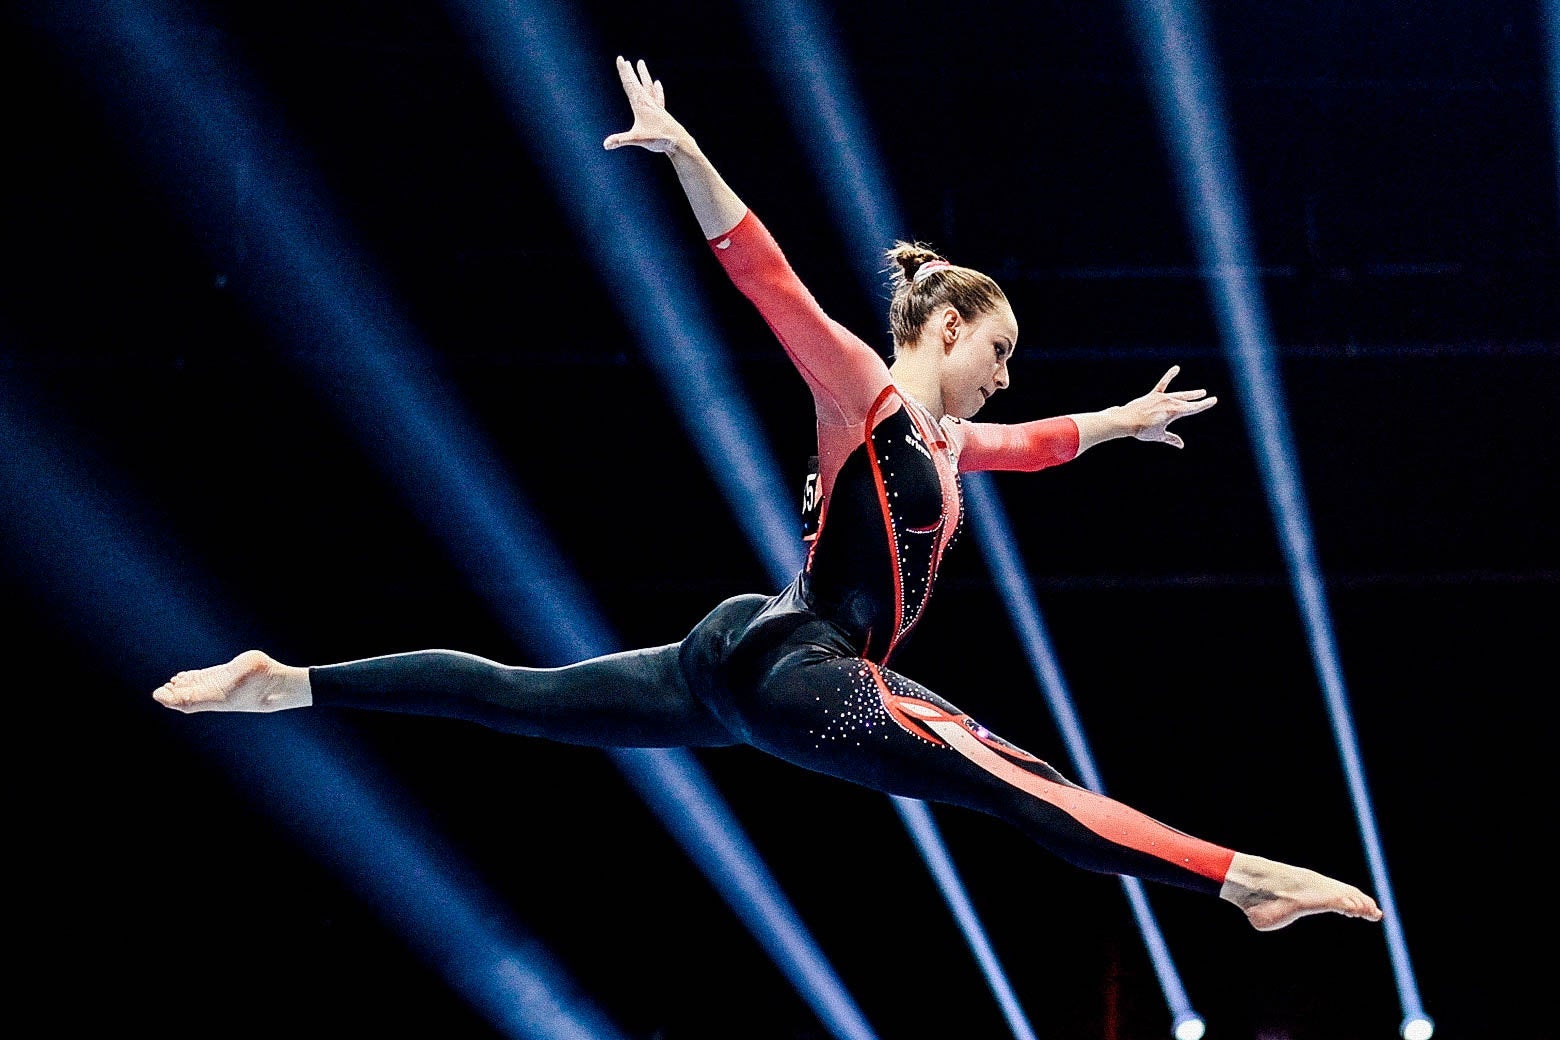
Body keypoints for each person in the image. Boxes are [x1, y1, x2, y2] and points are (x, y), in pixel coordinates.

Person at [154, 55, 1382, 934]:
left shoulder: (948, 447)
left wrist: (1121, 418)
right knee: (1015, 780)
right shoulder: (869, 392)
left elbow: (1035, 444)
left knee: (523, 700)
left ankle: (290, 681)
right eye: (995, 350)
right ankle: (1237, 875)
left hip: (739, 655)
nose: (1003, 375)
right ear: (943, 327)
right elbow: (770, 278)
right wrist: (687, 149)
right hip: (806, 668)